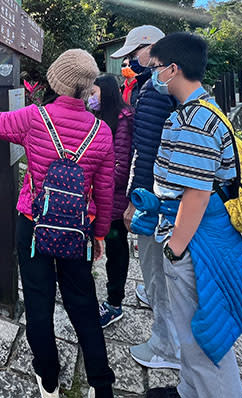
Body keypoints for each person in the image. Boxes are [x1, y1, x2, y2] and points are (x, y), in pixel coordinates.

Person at [0, 49, 116, 398]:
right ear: (88, 87)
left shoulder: (34, 118)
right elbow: (104, 191)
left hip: (34, 225)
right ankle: (101, 385)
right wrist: (101, 233)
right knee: (83, 303)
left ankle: (48, 381)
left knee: (38, 301)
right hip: (78, 230)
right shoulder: (102, 132)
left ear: (56, 80)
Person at [132, 32, 242, 398]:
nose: (153, 75)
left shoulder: (193, 122)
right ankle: (190, 390)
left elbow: (196, 194)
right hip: (198, 234)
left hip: (196, 242)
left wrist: (175, 248)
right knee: (194, 329)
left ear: (173, 69)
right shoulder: (202, 109)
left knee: (203, 335)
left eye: (156, 68)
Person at [110, 25, 181, 371]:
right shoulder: (165, 86)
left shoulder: (154, 91)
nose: (128, 61)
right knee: (159, 265)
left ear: (151, 49)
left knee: (158, 261)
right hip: (173, 191)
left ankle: (167, 347)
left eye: (132, 54)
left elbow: (148, 151)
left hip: (157, 194)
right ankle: (152, 296)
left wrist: (135, 201)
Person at [89, 75, 135, 328]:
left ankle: (114, 304)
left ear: (105, 94)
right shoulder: (101, 118)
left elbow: (120, 168)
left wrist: (93, 176)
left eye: (94, 93)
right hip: (99, 196)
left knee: (116, 252)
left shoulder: (123, 120)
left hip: (114, 202)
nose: (91, 98)